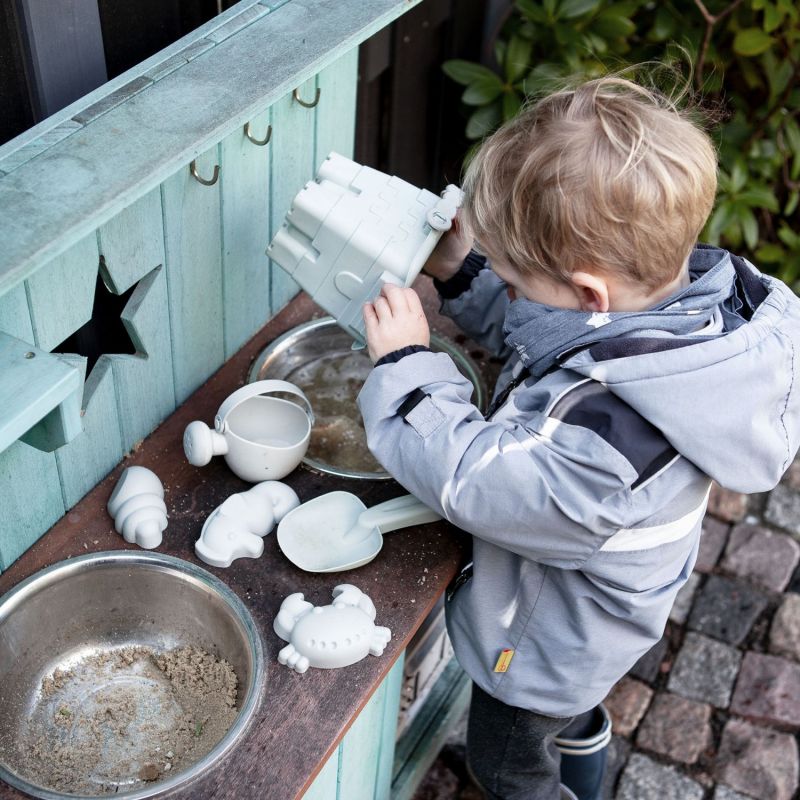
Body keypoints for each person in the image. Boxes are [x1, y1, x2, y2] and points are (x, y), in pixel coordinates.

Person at [357, 75, 800, 800]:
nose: (509, 289)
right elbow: (550, 334)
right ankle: (585, 742)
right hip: (593, 614)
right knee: (571, 714)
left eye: (513, 278)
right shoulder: (670, 315)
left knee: (508, 767)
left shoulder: (611, 447)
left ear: (589, 292)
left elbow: (480, 483)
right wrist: (464, 272)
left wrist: (407, 370)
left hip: (545, 648)